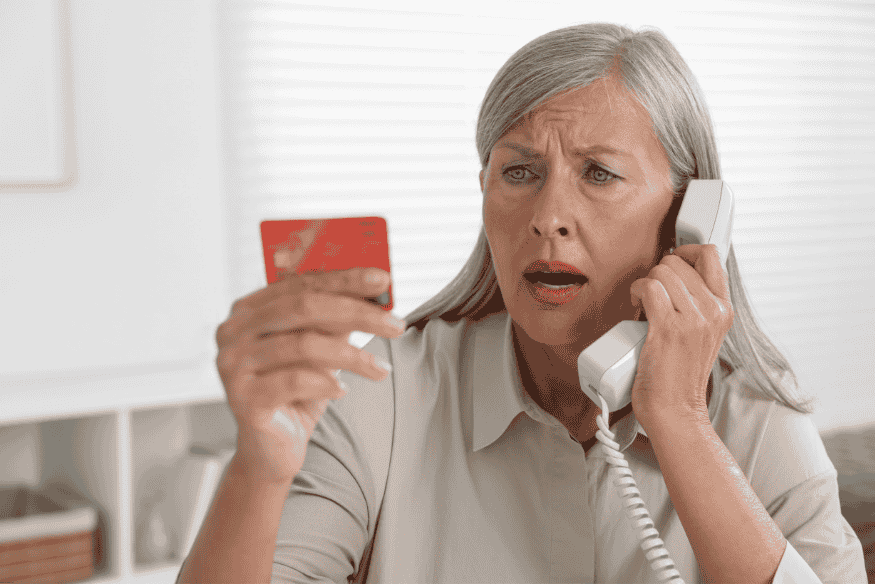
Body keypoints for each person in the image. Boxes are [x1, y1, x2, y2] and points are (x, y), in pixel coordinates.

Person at [176, 23, 866, 584]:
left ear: (692, 213)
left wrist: (680, 422)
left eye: (598, 173)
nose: (548, 216)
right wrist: (259, 469)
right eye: (519, 172)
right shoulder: (381, 394)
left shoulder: (753, 419)